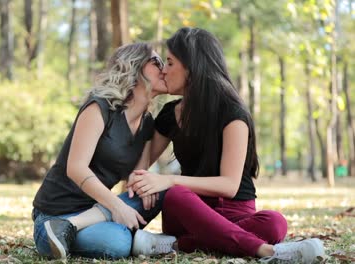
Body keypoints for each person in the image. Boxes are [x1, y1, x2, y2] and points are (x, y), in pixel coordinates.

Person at [127, 27, 325, 263]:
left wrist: (167, 179)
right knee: (176, 195)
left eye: (170, 63)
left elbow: (229, 185)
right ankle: (267, 252)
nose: (163, 71)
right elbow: (139, 167)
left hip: (236, 211)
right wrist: (144, 101)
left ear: (192, 68)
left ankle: (175, 244)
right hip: (189, 211)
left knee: (275, 223)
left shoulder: (232, 113)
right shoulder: (170, 114)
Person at [32, 42, 174, 260]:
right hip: (54, 213)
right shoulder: (100, 107)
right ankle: (61, 229)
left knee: (164, 191)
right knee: (117, 242)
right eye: (156, 62)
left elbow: (136, 178)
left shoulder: (147, 124)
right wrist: (117, 206)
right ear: (134, 68)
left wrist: (146, 184)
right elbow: (76, 168)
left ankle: (75, 228)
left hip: (98, 210)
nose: (164, 68)